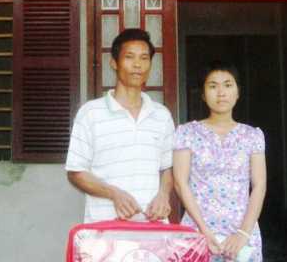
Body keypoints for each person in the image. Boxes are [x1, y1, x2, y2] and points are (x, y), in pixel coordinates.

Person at [66, 28, 175, 223]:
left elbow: (167, 168)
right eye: (129, 57)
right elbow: (75, 172)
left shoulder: (162, 115)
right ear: (114, 63)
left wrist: (163, 194)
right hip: (104, 228)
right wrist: (113, 193)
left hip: (153, 228)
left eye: (144, 58)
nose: (137, 65)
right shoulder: (90, 113)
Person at [173, 61, 267, 261]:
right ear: (203, 94)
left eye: (228, 85)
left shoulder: (252, 136)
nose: (221, 93)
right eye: (213, 86)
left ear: (238, 92)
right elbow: (180, 183)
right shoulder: (187, 133)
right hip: (197, 230)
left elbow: (259, 185)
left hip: (242, 232)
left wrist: (243, 233)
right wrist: (204, 231)